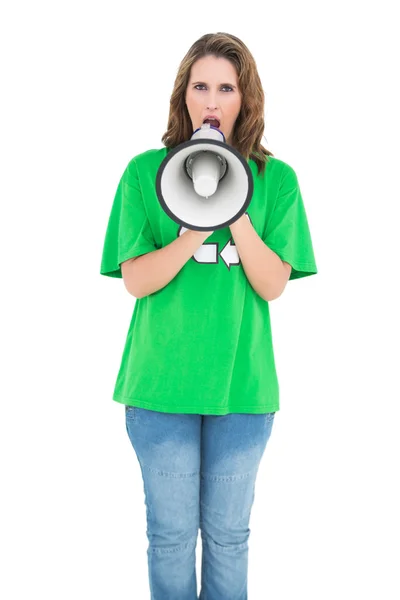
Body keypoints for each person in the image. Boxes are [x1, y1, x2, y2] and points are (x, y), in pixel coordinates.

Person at [100, 32, 317, 600]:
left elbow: (272, 285)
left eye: (227, 87)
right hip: (159, 390)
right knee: (170, 538)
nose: (213, 101)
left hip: (241, 392)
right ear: (184, 96)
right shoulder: (144, 172)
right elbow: (136, 280)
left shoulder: (278, 180)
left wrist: (233, 206)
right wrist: (193, 227)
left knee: (228, 538)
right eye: (201, 87)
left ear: (247, 99)